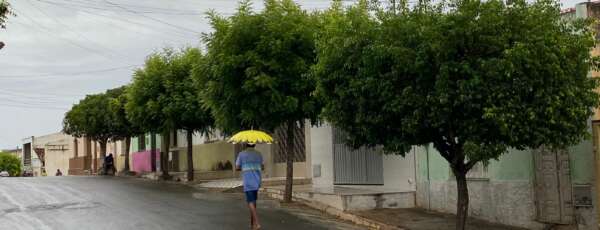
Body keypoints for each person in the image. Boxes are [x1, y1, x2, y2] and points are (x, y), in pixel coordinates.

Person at [236, 143, 264, 230]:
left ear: (245, 144)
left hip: (248, 181)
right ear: (254, 145)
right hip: (257, 180)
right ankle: (252, 225)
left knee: (250, 202)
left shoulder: (241, 154)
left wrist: (244, 167)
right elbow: (262, 167)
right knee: (254, 202)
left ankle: (257, 223)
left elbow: (237, 167)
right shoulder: (259, 154)